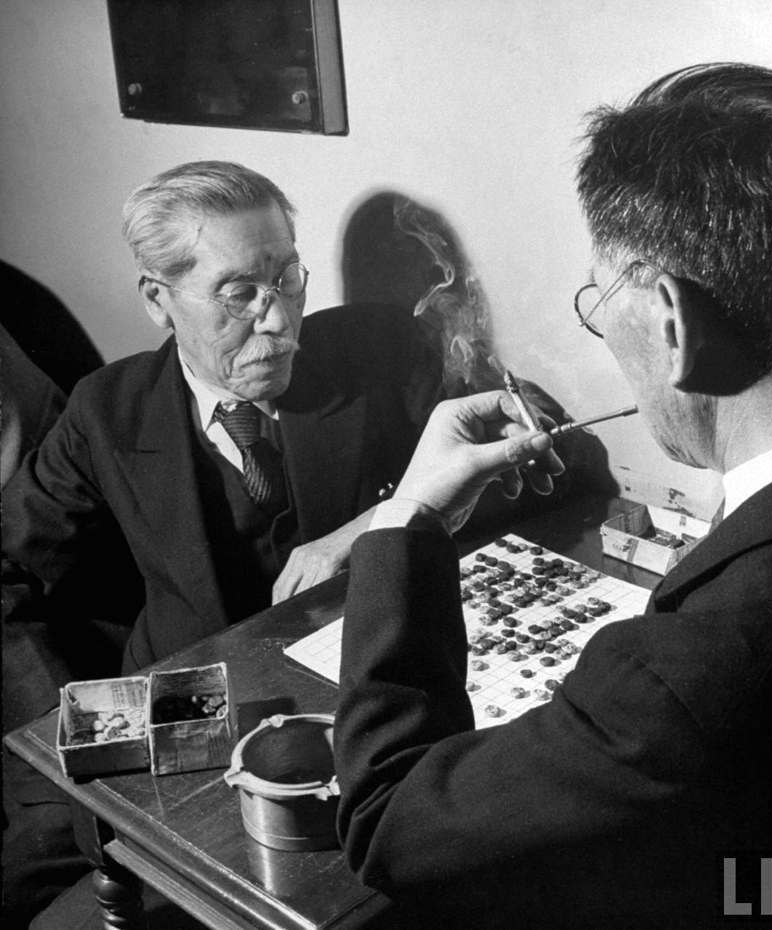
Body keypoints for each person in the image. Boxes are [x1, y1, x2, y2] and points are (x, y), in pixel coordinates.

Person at [332, 63, 772, 929]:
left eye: (602, 296)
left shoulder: (687, 676)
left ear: (671, 323)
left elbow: (390, 824)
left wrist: (407, 521)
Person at [1, 161, 439, 927]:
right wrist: (58, 736)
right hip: (178, 738)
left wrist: (369, 527)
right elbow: (8, 569)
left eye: (287, 278)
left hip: (358, 716)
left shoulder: (379, 349)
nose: (278, 320)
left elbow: (514, 461)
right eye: (239, 292)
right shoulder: (108, 412)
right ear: (158, 300)